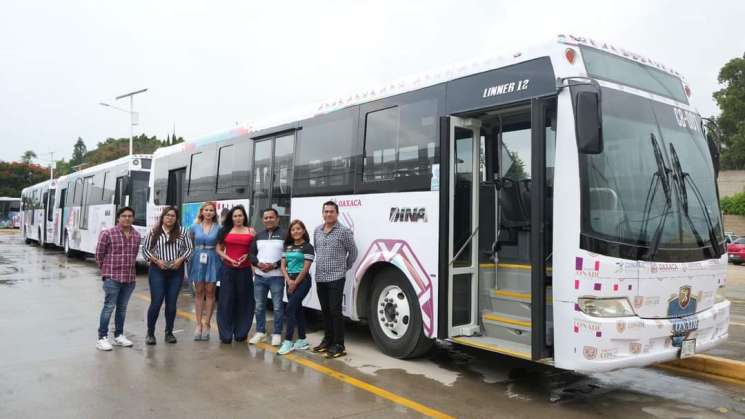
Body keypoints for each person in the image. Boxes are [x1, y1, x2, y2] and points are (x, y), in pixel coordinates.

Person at [312, 201, 358, 358]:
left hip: (336, 277)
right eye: (326, 211)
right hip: (320, 276)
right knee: (324, 311)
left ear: (337, 213)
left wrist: (345, 267)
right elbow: (317, 250)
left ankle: (339, 345)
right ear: (322, 213)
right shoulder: (317, 230)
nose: (328, 214)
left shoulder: (344, 232)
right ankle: (328, 340)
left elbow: (353, 252)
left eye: (331, 211)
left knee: (335, 311)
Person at [142, 206, 193, 345]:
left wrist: (180, 260)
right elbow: (145, 250)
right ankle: (150, 333)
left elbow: (189, 249)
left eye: (173, 216)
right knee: (156, 302)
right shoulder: (154, 231)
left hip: (176, 271)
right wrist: (157, 261)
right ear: (163, 217)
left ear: (176, 218)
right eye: (167, 215)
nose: (170, 218)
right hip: (157, 270)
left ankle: (169, 333)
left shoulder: (182, 231)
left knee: (171, 303)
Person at [94, 207, 142, 351]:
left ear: (133, 218)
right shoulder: (107, 233)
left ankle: (119, 335)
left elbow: (133, 256)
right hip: (112, 277)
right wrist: (106, 271)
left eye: (130, 216)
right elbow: (99, 255)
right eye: (124, 216)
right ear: (118, 218)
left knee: (122, 308)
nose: (127, 218)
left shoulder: (137, 235)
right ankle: (102, 338)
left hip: (129, 278)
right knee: (109, 307)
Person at [215, 205, 255, 344]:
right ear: (232, 218)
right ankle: (225, 334)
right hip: (228, 270)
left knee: (244, 301)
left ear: (244, 217)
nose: (238, 218)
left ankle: (241, 333)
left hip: (245, 270)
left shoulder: (251, 231)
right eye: (235, 216)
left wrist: (247, 256)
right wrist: (230, 259)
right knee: (226, 301)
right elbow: (219, 250)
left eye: (240, 215)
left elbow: (254, 251)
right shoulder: (225, 231)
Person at [248, 208, 287, 346]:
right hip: (259, 277)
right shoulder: (258, 236)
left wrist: (274, 265)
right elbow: (251, 254)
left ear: (277, 219)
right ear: (263, 220)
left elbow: (288, 256)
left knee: (277, 307)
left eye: (271, 217)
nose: (268, 220)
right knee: (259, 306)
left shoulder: (285, 234)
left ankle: (277, 333)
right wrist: (258, 264)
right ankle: (260, 332)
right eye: (266, 218)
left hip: (277, 277)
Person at [278, 220, 314, 355]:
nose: (296, 231)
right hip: (289, 280)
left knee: (290, 308)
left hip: (303, 281)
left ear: (303, 231)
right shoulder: (287, 246)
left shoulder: (308, 247)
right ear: (290, 232)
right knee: (297, 309)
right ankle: (302, 339)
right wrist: (288, 280)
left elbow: (306, 268)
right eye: (293, 230)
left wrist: (295, 283)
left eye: (298, 229)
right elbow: (282, 265)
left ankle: (288, 341)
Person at [188, 201, 220, 341]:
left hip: (212, 259)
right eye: (206, 210)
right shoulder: (194, 227)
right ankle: (198, 325)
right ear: (201, 212)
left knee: (210, 292)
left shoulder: (219, 228)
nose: (208, 212)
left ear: (214, 213)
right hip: (197, 259)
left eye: (211, 210)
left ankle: (207, 324)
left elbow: (221, 246)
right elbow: (189, 243)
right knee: (199, 292)